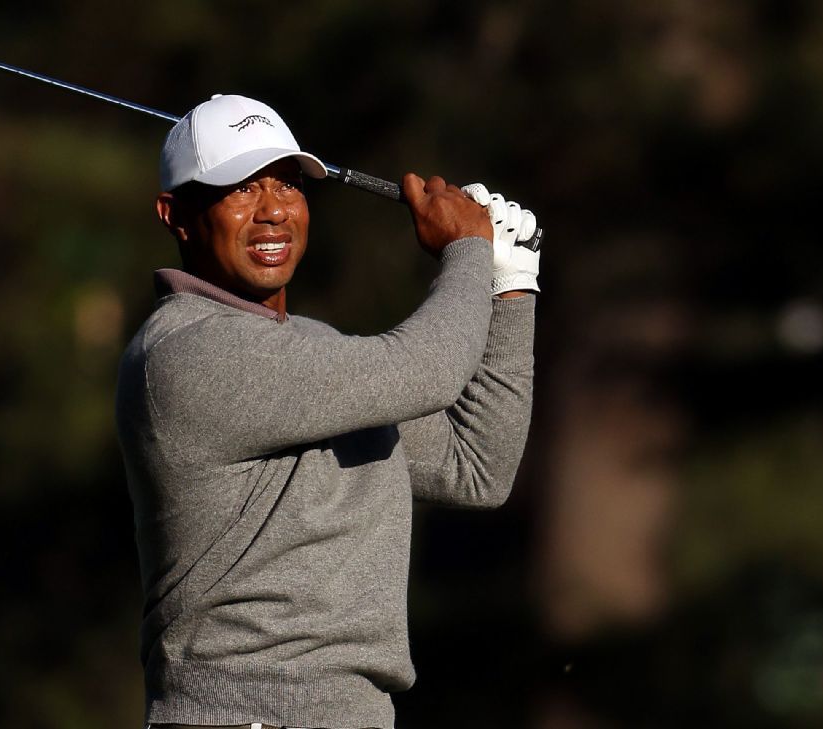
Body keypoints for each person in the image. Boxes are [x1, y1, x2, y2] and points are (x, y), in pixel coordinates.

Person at [115, 93, 540, 729]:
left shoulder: (315, 351)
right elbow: (425, 370)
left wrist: (512, 287)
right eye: (240, 189)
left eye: (287, 184)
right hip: (239, 714)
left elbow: (476, 467)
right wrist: (469, 251)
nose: (272, 210)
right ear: (174, 215)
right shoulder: (185, 351)